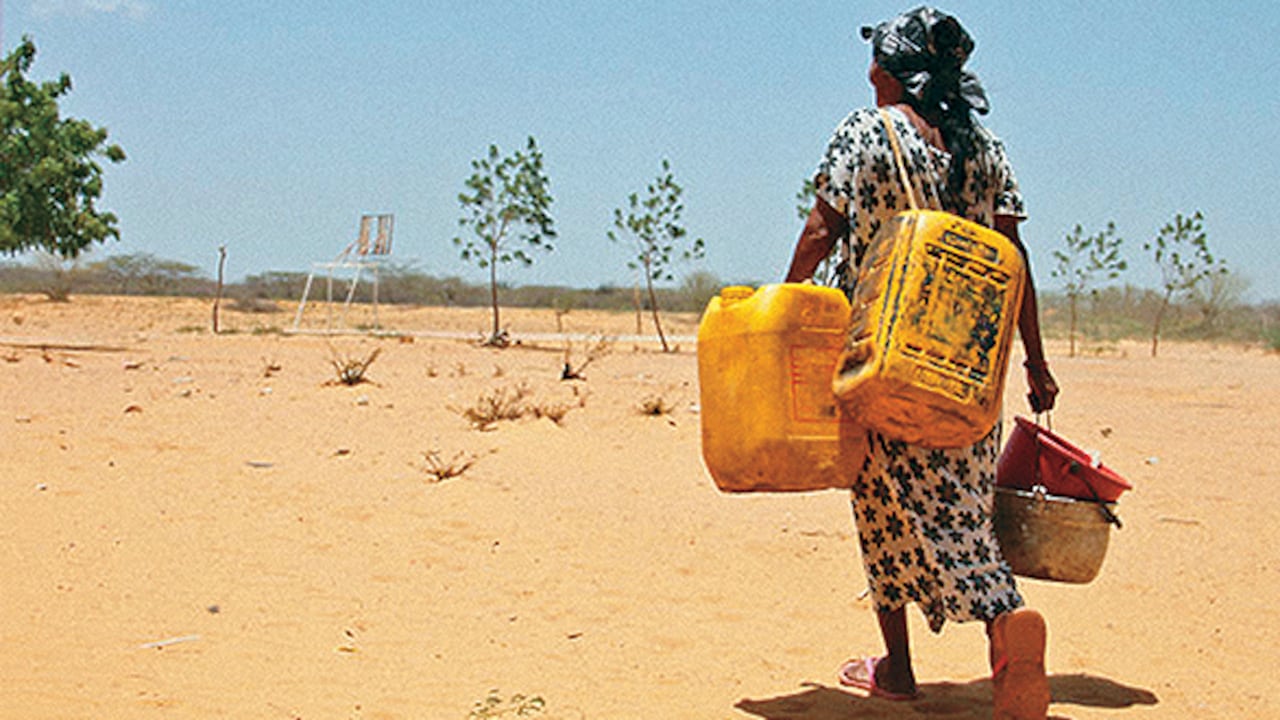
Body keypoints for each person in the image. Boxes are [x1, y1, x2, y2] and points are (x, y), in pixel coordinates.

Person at [784, 8, 1060, 719]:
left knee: (882, 512)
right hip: (969, 372)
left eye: (876, 59)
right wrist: (1034, 360)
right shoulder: (985, 146)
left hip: (878, 362)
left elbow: (822, 228)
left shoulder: (863, 133)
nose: (868, 71)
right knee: (965, 512)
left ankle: (899, 669)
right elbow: (1016, 261)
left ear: (894, 71)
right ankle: (1005, 624)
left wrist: (783, 309)